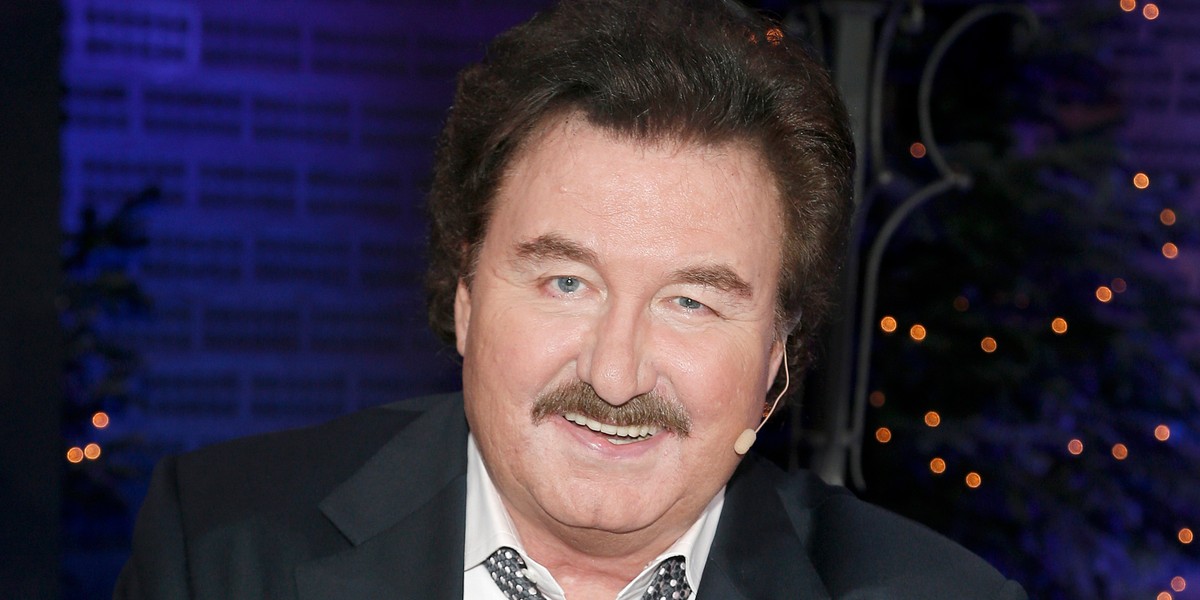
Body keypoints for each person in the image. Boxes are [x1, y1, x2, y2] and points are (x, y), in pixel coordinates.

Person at [116, 0, 1027, 598]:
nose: (615, 375)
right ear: (465, 294)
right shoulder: (223, 549)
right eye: (566, 282)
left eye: (691, 303)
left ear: (776, 363)